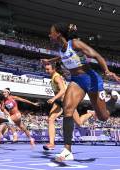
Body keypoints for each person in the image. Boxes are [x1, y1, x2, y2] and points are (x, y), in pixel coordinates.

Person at [42, 22, 120, 161]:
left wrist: (107, 72)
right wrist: (49, 60)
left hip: (91, 79)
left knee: (103, 117)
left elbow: (97, 56)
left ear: (59, 34)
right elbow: (63, 57)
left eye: (51, 32)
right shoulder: (62, 48)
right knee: (67, 109)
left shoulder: (75, 43)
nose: (49, 34)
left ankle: (113, 100)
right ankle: (67, 150)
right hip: (77, 81)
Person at [43, 63, 95, 150]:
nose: (46, 71)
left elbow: (63, 90)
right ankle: (51, 144)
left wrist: (53, 98)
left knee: (79, 123)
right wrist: (56, 100)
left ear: (54, 69)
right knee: (51, 119)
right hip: (59, 102)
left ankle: (90, 113)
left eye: (48, 69)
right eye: (45, 69)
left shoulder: (57, 77)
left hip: (68, 102)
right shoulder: (52, 78)